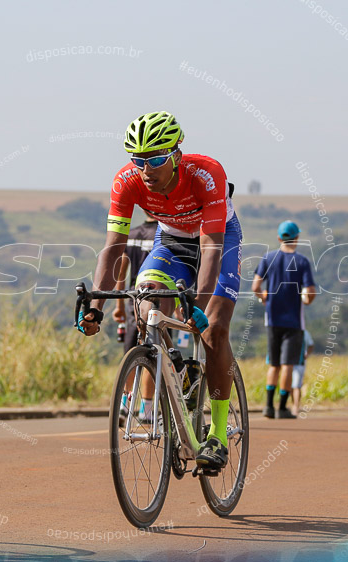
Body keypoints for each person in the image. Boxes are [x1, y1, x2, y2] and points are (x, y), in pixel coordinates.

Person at [78, 111, 242, 471]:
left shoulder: (206, 174)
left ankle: (215, 432)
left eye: (154, 159)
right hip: (169, 241)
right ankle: (176, 370)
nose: (146, 169)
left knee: (213, 328)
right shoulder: (126, 181)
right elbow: (113, 248)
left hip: (217, 241)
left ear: (176, 154)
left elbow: (211, 249)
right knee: (145, 304)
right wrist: (96, 307)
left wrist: (197, 306)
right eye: (138, 160)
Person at [251, 221, 316, 419]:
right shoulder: (302, 261)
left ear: (279, 238)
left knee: (274, 364)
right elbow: (310, 291)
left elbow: (255, 286)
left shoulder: (268, 257)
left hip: (272, 318)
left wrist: (264, 298)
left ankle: (268, 406)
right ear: (296, 238)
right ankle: (282, 408)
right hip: (294, 321)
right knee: (288, 365)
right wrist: (306, 300)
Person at [112, 212, 157, 424]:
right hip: (159, 300)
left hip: (133, 301)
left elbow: (121, 273)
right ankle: (146, 408)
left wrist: (118, 305)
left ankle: (124, 405)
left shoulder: (131, 234)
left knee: (130, 352)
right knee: (155, 353)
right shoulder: (165, 234)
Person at [291, 330, 315, 416]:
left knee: (296, 385)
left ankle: (296, 406)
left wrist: (307, 354)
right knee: (290, 386)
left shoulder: (305, 333)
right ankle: (293, 403)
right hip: (289, 363)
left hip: (300, 363)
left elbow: (311, 345)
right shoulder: (288, 331)